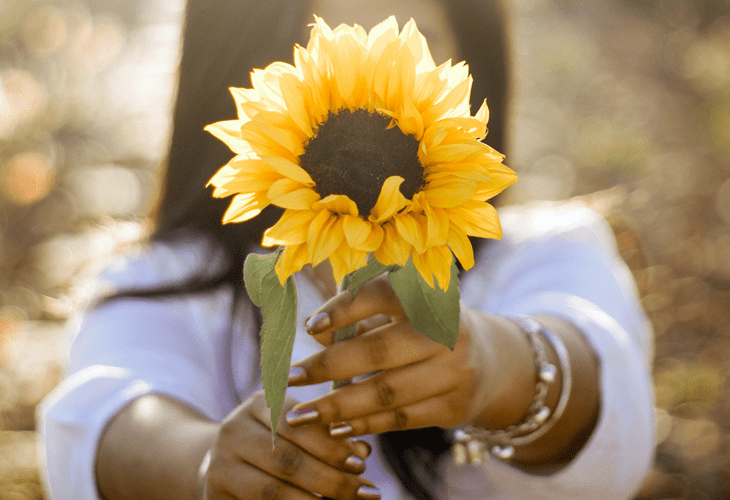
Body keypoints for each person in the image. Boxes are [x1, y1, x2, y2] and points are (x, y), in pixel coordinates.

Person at [37, 0, 656, 499]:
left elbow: (597, 370)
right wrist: (204, 464)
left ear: (472, 68)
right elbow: (110, 410)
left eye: (418, 59)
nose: (366, 96)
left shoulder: (543, 253)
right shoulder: (169, 283)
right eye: (317, 56)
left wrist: (499, 367)